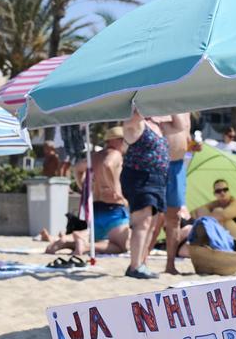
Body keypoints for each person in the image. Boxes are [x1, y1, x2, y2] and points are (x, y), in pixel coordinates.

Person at [45, 126, 132, 256]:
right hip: (113, 208)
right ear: (117, 140)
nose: (126, 144)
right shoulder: (115, 154)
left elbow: (77, 168)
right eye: (124, 140)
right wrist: (116, 190)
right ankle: (85, 246)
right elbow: (107, 165)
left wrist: (83, 188)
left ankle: (66, 242)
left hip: (95, 208)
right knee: (123, 246)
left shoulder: (95, 156)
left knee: (100, 239)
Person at [120, 109, 169, 279]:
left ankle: (141, 263)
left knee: (152, 222)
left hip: (158, 178)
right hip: (140, 176)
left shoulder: (156, 125)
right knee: (143, 221)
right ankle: (135, 266)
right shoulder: (136, 122)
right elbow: (130, 119)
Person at [153, 113, 191, 274]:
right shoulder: (161, 103)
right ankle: (140, 261)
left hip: (178, 166)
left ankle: (170, 264)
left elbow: (185, 135)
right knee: (153, 217)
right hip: (159, 165)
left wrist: (190, 145)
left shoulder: (186, 109)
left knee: (174, 218)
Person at [194, 179, 236, 244]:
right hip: (229, 235)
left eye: (225, 189)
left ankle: (214, 242)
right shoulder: (216, 203)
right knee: (209, 211)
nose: (222, 193)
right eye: (218, 191)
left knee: (218, 212)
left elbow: (224, 215)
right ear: (214, 194)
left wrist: (203, 219)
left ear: (229, 191)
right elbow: (198, 210)